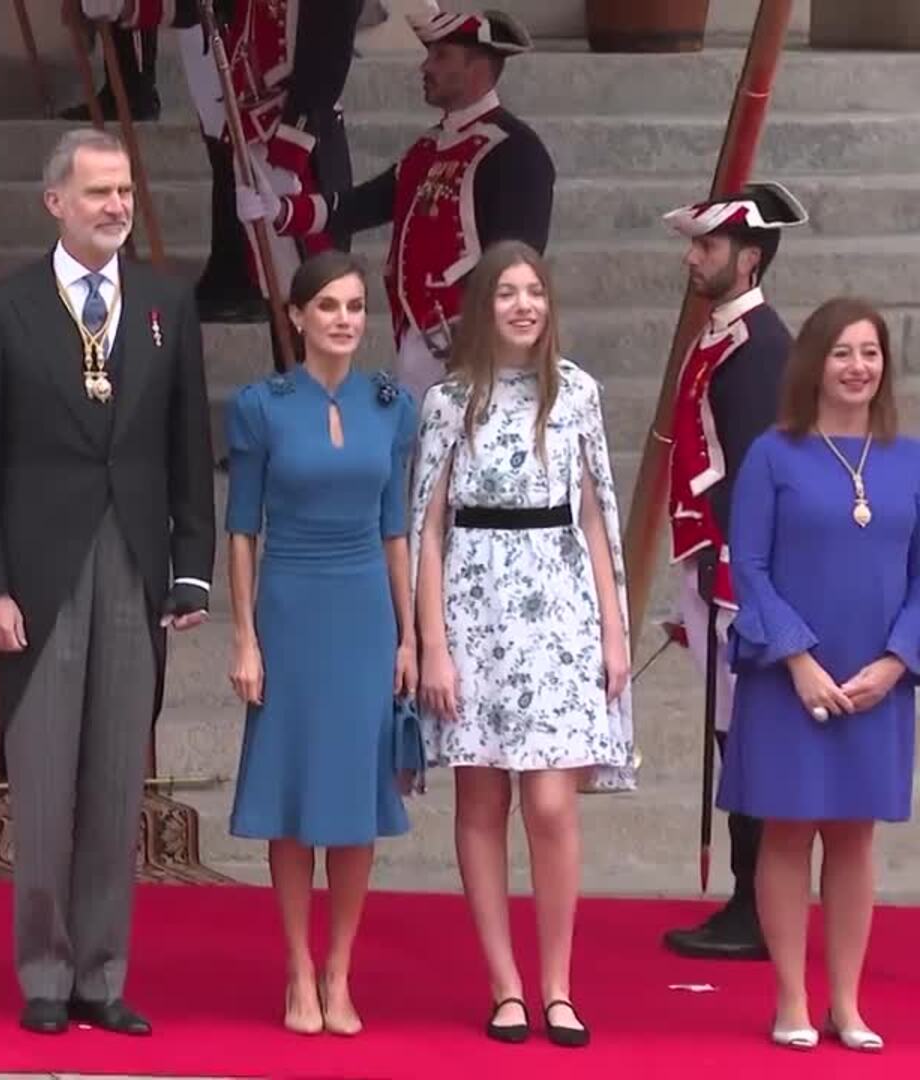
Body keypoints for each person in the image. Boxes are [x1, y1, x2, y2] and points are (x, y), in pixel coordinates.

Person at [0, 127, 215, 1038]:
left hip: (136, 566)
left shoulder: (164, 306)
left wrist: (191, 570)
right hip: (38, 574)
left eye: (125, 194)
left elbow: (188, 445)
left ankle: (103, 973)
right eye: (97, 192)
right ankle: (45, 970)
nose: (114, 207)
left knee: (114, 783)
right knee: (45, 784)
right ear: (55, 201)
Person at [410, 241, 633, 1049]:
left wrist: (613, 628)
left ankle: (558, 986)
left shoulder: (577, 394)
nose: (523, 305)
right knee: (482, 802)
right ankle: (505, 986)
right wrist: (432, 642)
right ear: (484, 307)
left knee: (549, 803)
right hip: (474, 615)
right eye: (506, 292)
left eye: (534, 291)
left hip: (559, 614)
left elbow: (599, 513)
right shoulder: (448, 402)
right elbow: (426, 529)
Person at [223, 250, 416, 1037]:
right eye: (327, 306)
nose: (343, 320)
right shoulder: (259, 405)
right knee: (294, 796)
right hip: (291, 609)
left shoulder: (391, 402)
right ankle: (298, 968)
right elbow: (242, 530)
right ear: (296, 316)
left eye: (354, 307)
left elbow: (396, 528)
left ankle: (342, 969)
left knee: (356, 799)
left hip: (367, 611)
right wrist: (245, 637)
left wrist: (410, 639)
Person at [717, 298, 918, 1054]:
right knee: (788, 831)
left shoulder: (910, 457)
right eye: (842, 353)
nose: (858, 366)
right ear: (815, 363)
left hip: (880, 676)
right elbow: (752, 567)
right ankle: (792, 1000)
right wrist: (797, 659)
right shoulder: (775, 452)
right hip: (788, 674)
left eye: (870, 353)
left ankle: (847, 1004)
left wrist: (896, 663)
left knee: (855, 838)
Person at [238, 7, 553, 402]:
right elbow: (361, 205)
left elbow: (517, 265)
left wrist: (484, 345)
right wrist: (280, 211)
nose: (425, 66)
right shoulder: (428, 147)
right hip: (418, 345)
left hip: (476, 353)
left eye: (441, 57)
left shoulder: (515, 151)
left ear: (478, 68)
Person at [657, 182, 808, 963]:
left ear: (748, 260)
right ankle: (751, 898)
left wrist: (733, 584)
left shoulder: (756, 347)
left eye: (707, 247)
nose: (692, 257)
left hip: (735, 572)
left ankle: (758, 903)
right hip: (710, 562)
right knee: (731, 733)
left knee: (746, 736)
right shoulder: (724, 336)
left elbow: (755, 476)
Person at [83, 0, 365, 324]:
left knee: (312, 300)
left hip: (304, 148)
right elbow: (201, 7)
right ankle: (290, 373)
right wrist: (128, 7)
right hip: (254, 138)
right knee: (279, 299)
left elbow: (328, 58)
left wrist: (290, 151)